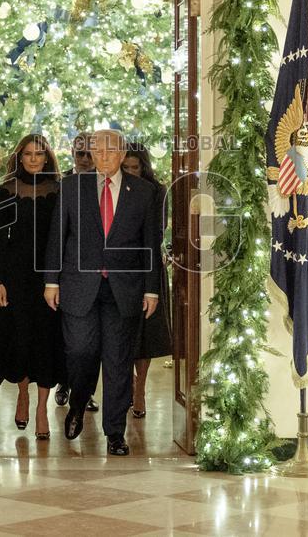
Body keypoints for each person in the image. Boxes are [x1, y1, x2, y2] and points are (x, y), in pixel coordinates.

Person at [44, 129, 160, 455]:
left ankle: (115, 433)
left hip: (124, 289)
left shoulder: (144, 192)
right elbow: (58, 237)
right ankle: (78, 403)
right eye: (97, 150)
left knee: (118, 361)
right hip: (79, 286)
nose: (103, 156)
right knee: (80, 351)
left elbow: (150, 243)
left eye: (110, 150)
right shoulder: (71, 187)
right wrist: (51, 281)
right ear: (90, 154)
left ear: (123, 154)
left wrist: (152, 289)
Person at [0, 134, 64, 440]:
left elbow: (65, 237)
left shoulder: (59, 190)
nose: (33, 159)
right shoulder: (6, 190)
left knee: (46, 341)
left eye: (38, 154)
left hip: (49, 277)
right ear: (19, 157)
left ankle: (43, 409)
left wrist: (59, 279)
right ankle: (22, 394)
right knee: (20, 340)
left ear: (47, 158)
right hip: (15, 278)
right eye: (28, 154)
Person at [122, 143, 172, 418]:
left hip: (149, 265)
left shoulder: (157, 191)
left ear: (144, 166)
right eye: (126, 167)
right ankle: (128, 383)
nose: (131, 172)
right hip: (122, 269)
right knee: (124, 330)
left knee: (147, 333)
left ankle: (140, 388)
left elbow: (157, 229)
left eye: (135, 167)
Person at [53, 131, 99, 413]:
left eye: (88, 154)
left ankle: (85, 393)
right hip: (66, 274)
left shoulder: (106, 184)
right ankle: (63, 383)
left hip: (95, 276)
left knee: (91, 344)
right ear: (72, 152)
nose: (84, 159)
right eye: (79, 153)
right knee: (67, 338)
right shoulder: (62, 183)